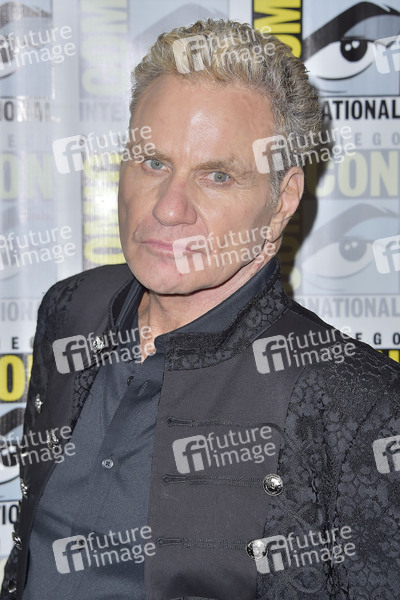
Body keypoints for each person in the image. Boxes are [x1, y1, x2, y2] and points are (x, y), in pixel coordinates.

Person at [1, 18, 400, 600]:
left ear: (282, 200)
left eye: (217, 175)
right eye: (153, 162)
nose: (169, 208)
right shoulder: (69, 309)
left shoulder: (358, 402)